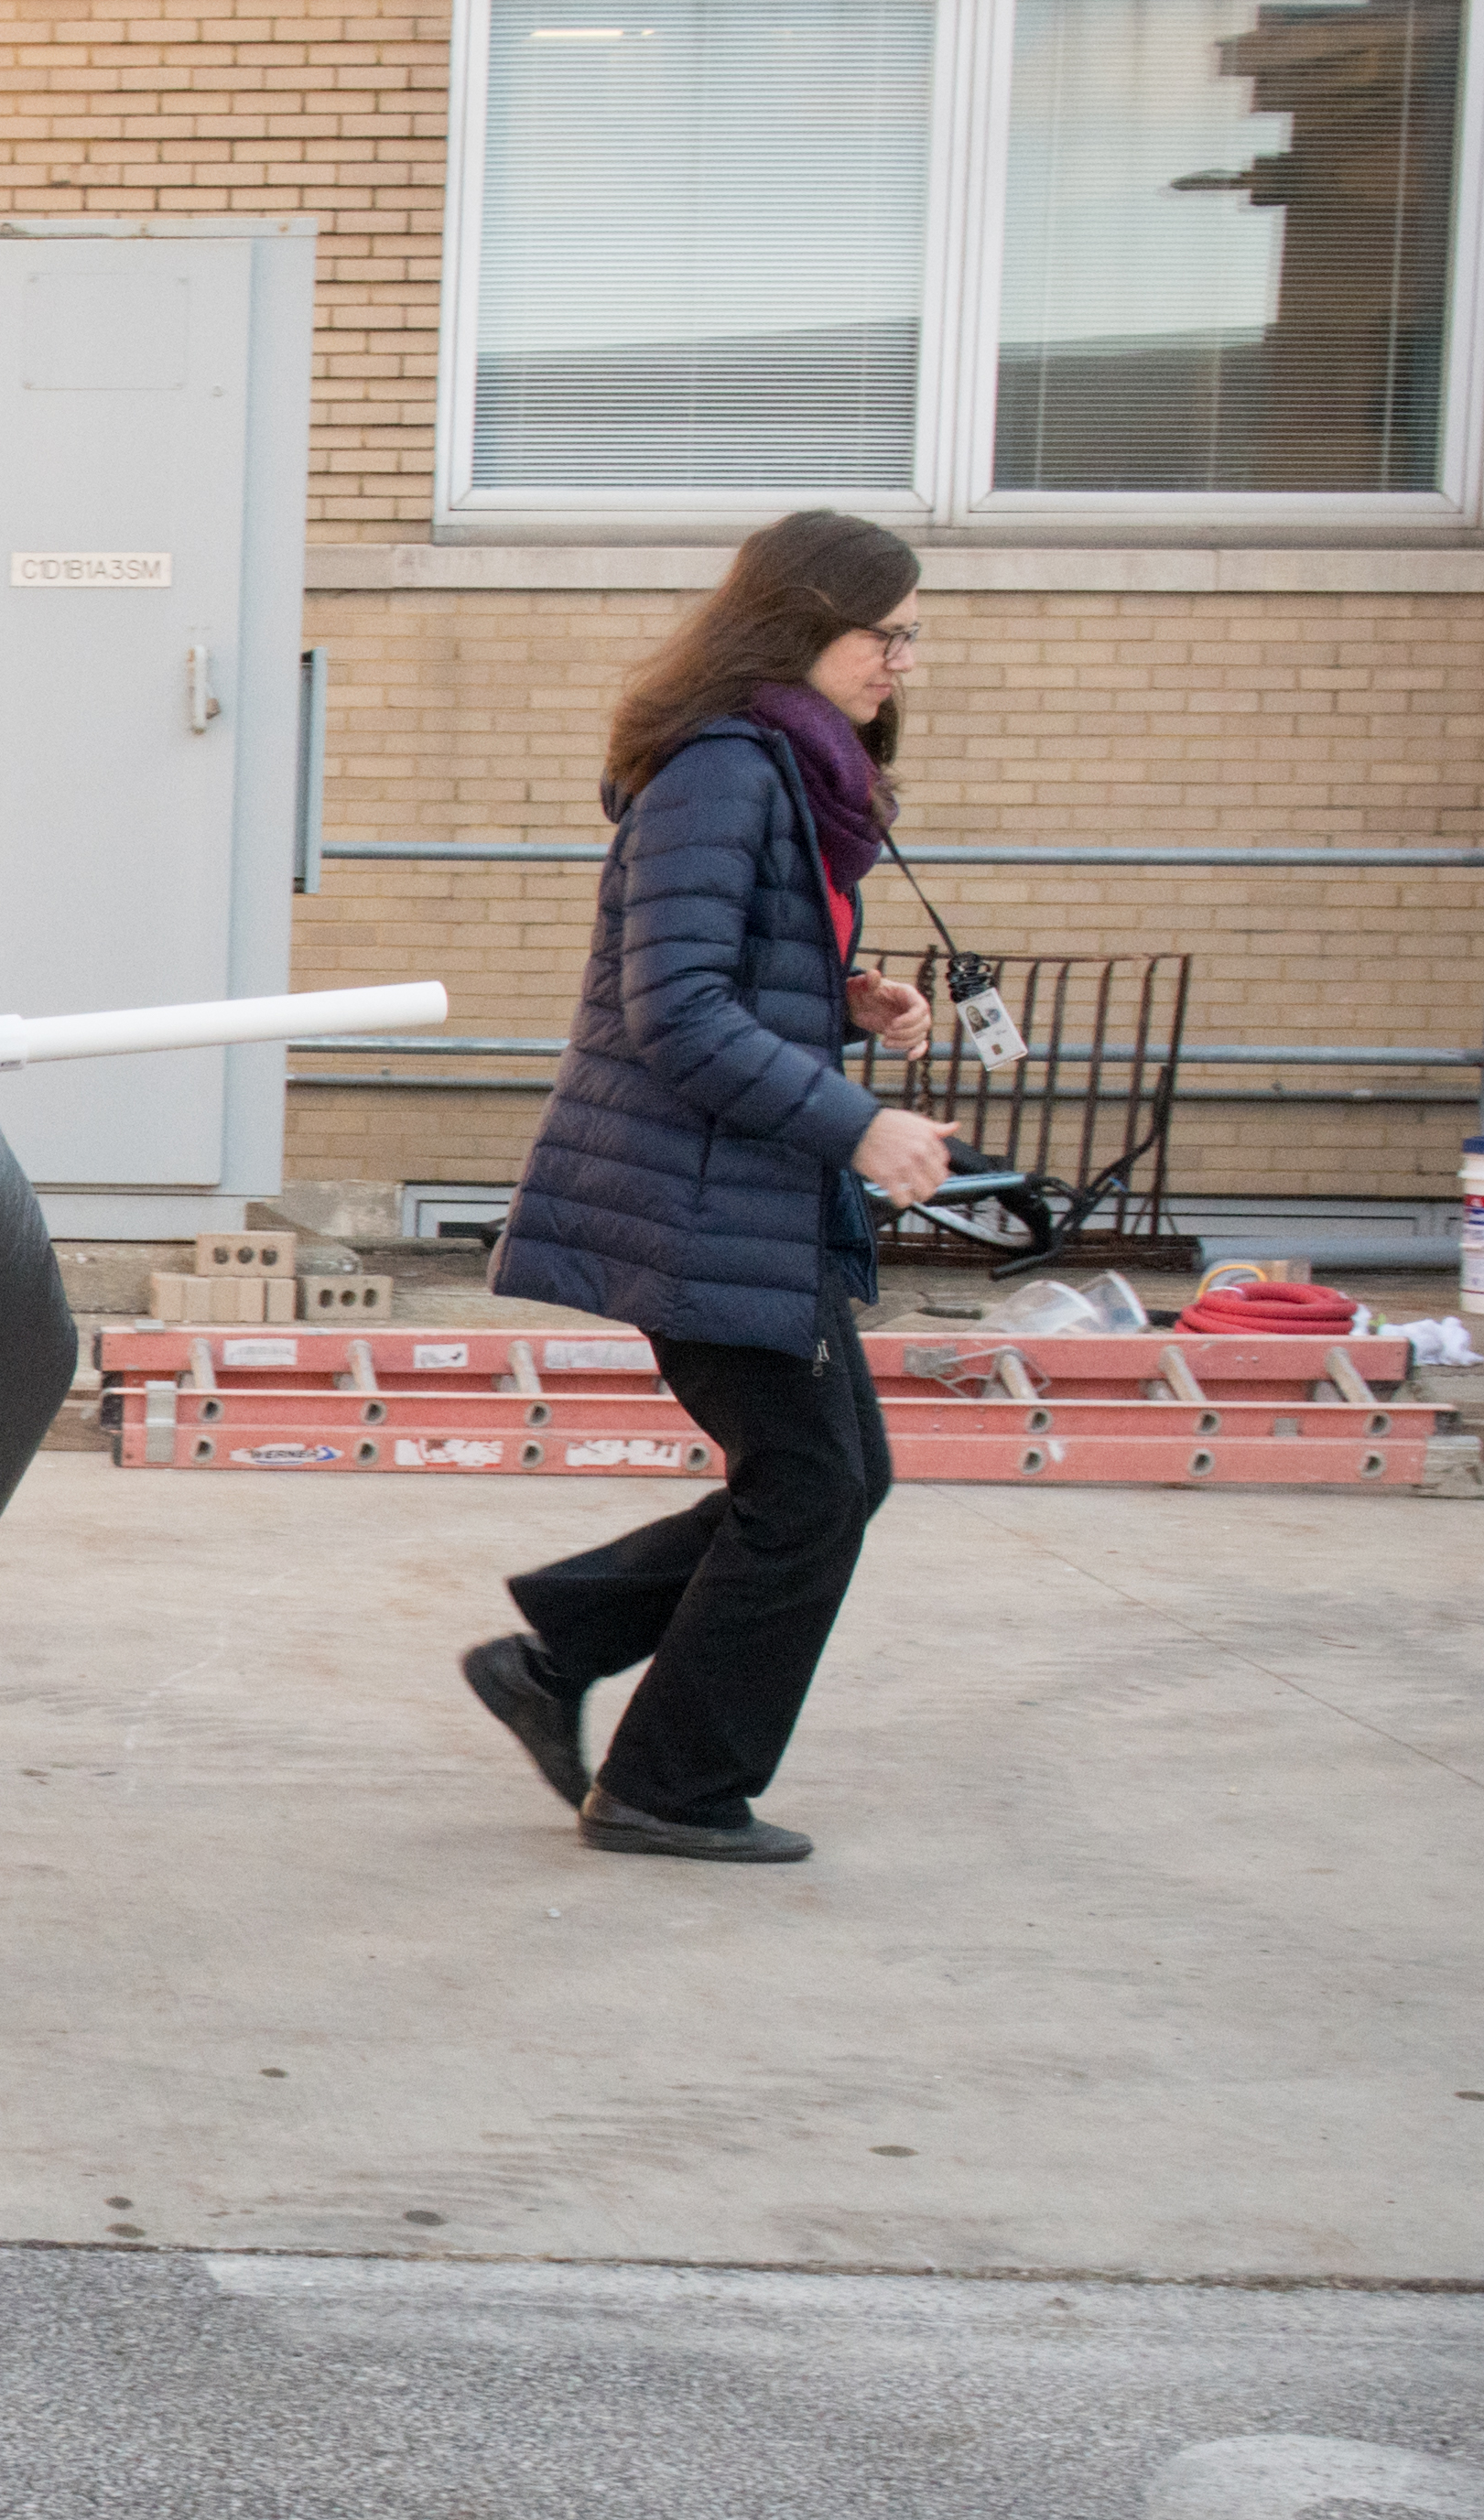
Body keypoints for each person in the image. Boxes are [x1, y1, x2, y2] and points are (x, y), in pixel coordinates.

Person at [461, 510, 950, 1866]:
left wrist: (846, 1004)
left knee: (832, 1479)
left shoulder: (785, 771)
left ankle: (560, 1651)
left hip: (744, 1194)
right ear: (802, 625)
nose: (903, 661)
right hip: (694, 1198)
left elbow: (727, 978)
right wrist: (859, 1125)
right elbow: (670, 1009)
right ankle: (668, 1784)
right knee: (809, 1490)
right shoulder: (726, 770)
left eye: (913, 636)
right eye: (885, 633)